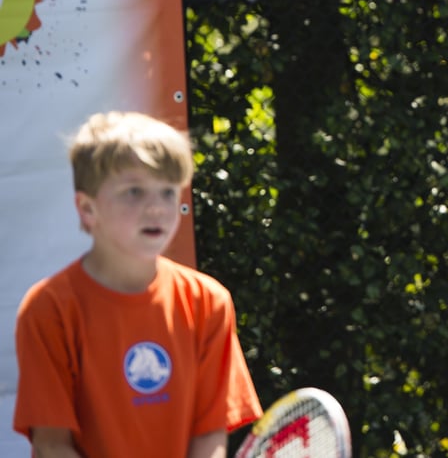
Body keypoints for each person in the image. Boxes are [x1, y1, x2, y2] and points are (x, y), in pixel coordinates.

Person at [13, 111, 263, 457]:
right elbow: (52, 444)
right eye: (134, 192)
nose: (157, 208)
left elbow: (209, 436)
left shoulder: (209, 301)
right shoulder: (47, 308)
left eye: (167, 192)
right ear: (87, 209)